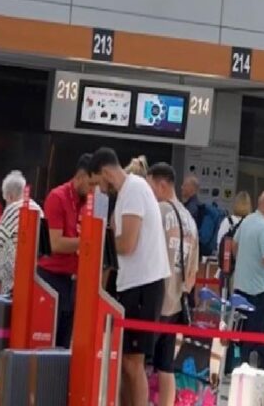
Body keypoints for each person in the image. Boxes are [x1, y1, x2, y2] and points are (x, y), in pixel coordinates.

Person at [89, 147, 170, 406]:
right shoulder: (126, 193)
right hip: (132, 285)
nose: (97, 189)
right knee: (124, 361)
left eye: (96, 182)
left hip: (144, 285)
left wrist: (96, 241)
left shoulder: (134, 189)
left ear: (105, 173)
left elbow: (126, 244)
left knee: (133, 363)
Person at [147, 163, 199, 406]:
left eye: (150, 186)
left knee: (137, 363)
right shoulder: (190, 220)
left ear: (161, 185)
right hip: (176, 304)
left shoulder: (158, 211)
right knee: (166, 367)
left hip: (154, 299)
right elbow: (193, 272)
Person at [40, 153, 92, 349]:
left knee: (65, 342)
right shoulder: (58, 197)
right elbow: (55, 243)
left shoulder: (89, 202)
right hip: (52, 277)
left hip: (75, 280)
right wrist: (88, 241)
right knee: (49, 340)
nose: (93, 189)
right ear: (80, 177)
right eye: (91, 184)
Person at [232, 191, 264, 369]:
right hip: (257, 289)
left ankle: (236, 363)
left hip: (240, 284)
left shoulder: (247, 220)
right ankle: (249, 365)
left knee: (239, 327)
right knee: (254, 331)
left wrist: (242, 262)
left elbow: (234, 244)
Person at [0, 171, 43, 295]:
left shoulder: (13, 208)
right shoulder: (38, 209)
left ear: (10, 196)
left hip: (13, 276)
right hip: (35, 271)